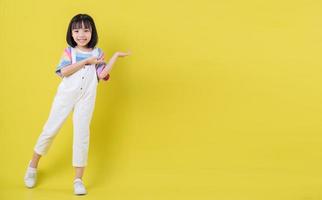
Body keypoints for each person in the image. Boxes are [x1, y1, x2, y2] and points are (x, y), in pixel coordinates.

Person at [23, 13, 131, 195]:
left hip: (86, 98)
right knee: (50, 129)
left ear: (92, 32)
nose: (81, 34)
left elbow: (101, 75)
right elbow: (64, 72)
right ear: (71, 33)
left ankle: (78, 180)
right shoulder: (69, 52)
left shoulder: (98, 53)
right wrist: (86, 62)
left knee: (82, 135)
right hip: (66, 96)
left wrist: (114, 57)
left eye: (86, 30)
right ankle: (32, 166)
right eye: (77, 30)